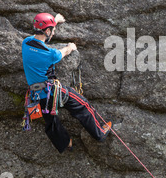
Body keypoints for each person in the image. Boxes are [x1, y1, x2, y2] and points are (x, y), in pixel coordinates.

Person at [21, 12, 112, 153]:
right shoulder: (50, 54)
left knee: (50, 120)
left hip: (37, 95)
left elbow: (41, 34)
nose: (53, 33)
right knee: (82, 105)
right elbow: (64, 52)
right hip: (53, 91)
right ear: (47, 31)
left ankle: (65, 143)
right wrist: (71, 47)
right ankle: (99, 133)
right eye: (53, 31)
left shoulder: (25, 43)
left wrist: (55, 20)